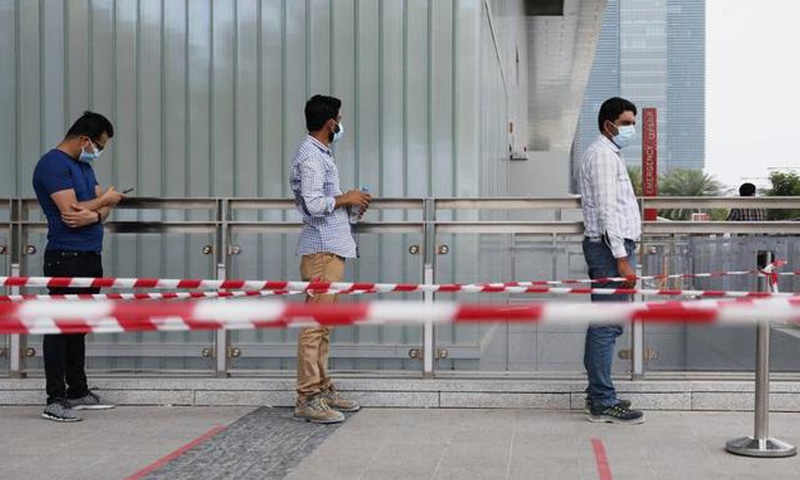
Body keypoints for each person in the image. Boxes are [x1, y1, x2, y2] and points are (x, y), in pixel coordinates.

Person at [32, 111, 125, 422]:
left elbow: (97, 206)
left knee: (79, 326)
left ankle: (78, 390)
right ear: (84, 139)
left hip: (90, 254)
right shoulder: (53, 164)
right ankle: (55, 398)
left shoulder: (83, 165)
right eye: (98, 145)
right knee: (58, 326)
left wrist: (97, 213)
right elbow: (70, 210)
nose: (98, 152)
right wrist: (103, 202)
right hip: (65, 255)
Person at [289, 95, 372, 424]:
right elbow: (312, 204)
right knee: (314, 327)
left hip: (331, 247)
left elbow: (326, 203)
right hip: (321, 251)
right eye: (339, 118)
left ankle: (322, 389)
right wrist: (345, 197)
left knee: (322, 327)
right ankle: (308, 396)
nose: (341, 123)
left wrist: (352, 204)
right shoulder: (311, 157)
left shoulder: (321, 155)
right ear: (330, 123)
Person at [578, 97, 645, 424]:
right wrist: (621, 257)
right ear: (609, 125)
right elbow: (606, 211)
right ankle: (603, 400)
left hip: (612, 248)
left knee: (606, 323)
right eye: (627, 123)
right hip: (608, 251)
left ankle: (598, 393)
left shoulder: (607, 153)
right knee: (607, 325)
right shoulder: (603, 156)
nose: (631, 129)